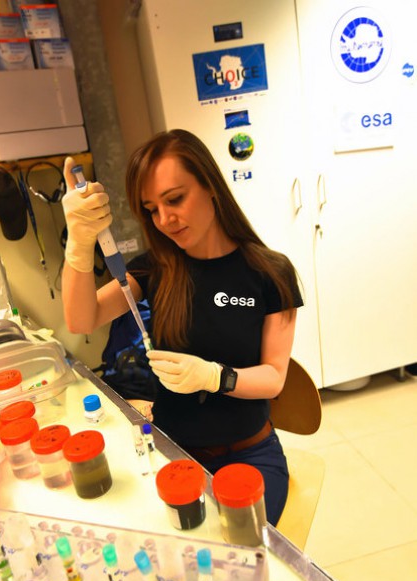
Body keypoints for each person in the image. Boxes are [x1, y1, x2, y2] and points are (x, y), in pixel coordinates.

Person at [61, 129, 303, 525]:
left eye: (174, 199)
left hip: (248, 455)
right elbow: (81, 318)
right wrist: (79, 242)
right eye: (152, 209)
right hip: (174, 453)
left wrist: (214, 376)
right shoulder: (154, 269)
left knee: (240, 559)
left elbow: (275, 377)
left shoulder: (269, 273)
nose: (164, 219)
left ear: (210, 187)